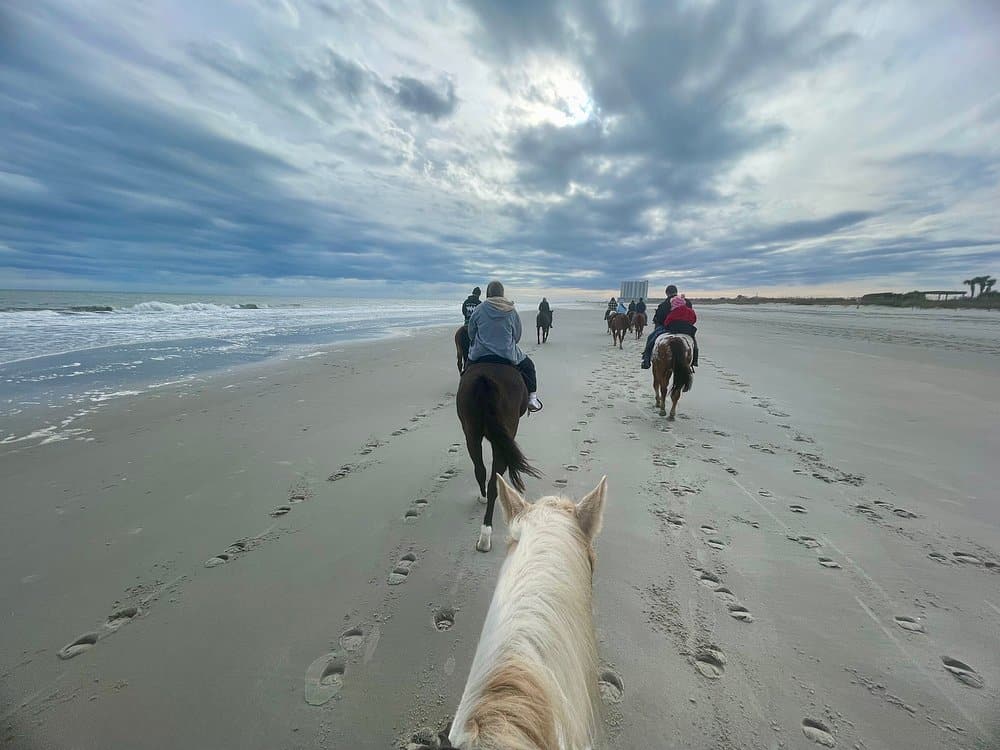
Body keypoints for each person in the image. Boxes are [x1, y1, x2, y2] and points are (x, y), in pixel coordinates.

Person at [467, 280, 542, 412]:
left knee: (466, 370)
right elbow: (517, 336)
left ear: (488, 294)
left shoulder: (479, 309)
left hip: (480, 353)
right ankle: (532, 399)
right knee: (529, 367)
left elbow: (471, 333)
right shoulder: (511, 310)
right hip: (506, 353)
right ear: (502, 294)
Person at [641, 285, 700, 369]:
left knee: (651, 338)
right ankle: (694, 360)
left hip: (668, 327)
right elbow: (692, 317)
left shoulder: (663, 304)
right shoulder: (687, 302)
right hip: (686, 328)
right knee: (694, 342)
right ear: (676, 292)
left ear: (667, 293)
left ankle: (646, 360)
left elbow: (660, 319)